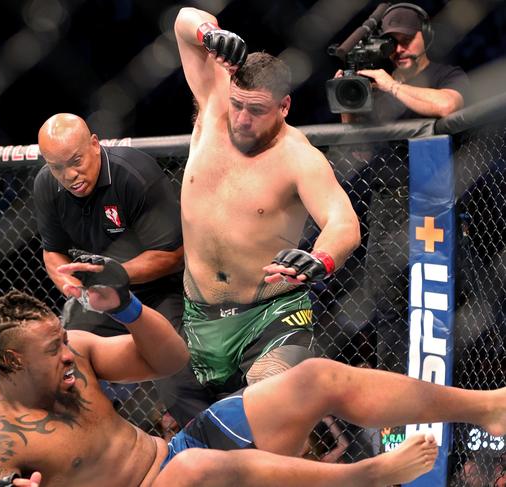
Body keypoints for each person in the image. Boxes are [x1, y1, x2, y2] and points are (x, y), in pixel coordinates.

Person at [0, 253, 506, 487]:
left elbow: (170, 359)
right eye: (52, 349)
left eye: (62, 340)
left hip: (176, 453)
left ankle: (487, 408)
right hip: (178, 478)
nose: (67, 352)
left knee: (314, 377)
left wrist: (125, 306)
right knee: (194, 473)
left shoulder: (76, 352)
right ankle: (361, 477)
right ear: (12, 363)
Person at [172, 7, 361, 406]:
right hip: (197, 315)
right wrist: (209, 33)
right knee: (200, 449)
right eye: (238, 104)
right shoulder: (212, 105)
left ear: (284, 107)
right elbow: (183, 20)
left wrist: (321, 259)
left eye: (256, 110)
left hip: (271, 313)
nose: (241, 118)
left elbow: (344, 222)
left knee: (268, 407)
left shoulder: (298, 157)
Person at [34, 113, 196, 424]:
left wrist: (119, 274)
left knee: (177, 374)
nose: (69, 174)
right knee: (62, 359)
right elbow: (52, 251)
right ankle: (86, 445)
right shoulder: (46, 186)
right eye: (57, 167)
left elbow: (174, 253)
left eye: (76, 160)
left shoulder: (133, 174)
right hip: (99, 294)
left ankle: (216, 448)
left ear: (95, 144)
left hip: (158, 289)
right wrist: (70, 286)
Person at [336, 3, 470, 373]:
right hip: (389, 204)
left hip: (440, 202)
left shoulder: (446, 73)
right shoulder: (378, 83)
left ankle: (453, 385)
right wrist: (352, 86)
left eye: (407, 40)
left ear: (425, 35)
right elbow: (353, 131)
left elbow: (447, 104)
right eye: (392, 42)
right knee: (387, 306)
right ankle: (395, 392)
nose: (400, 50)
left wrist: (392, 85)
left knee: (448, 296)